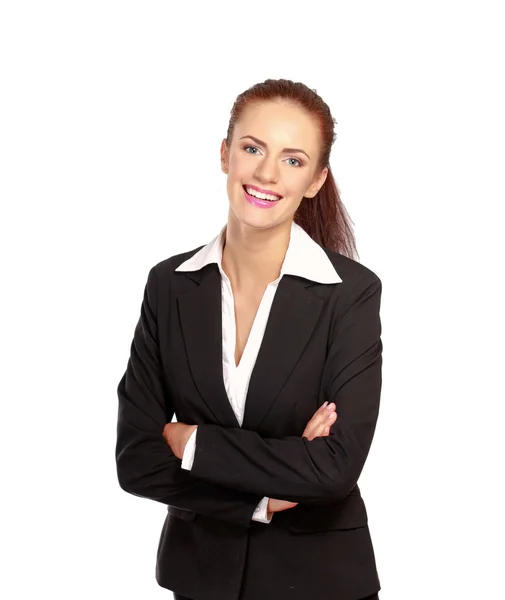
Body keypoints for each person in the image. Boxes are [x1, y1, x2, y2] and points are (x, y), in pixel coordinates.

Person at [115, 78, 383, 600]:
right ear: (225, 154)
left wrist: (191, 442)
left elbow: (334, 468)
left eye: (293, 159)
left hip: (322, 582)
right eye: (253, 148)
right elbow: (135, 459)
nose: (265, 173)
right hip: (199, 579)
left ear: (315, 180)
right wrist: (261, 495)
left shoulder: (349, 294)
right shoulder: (169, 286)